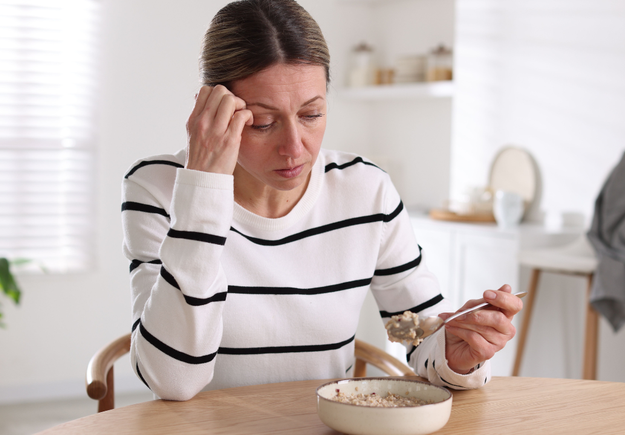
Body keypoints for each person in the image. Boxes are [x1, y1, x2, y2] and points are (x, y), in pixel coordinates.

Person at [121, 0, 522, 401]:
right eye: (263, 123)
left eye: (311, 115)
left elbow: (408, 325)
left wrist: (453, 352)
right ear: (213, 112)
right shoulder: (159, 188)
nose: (294, 148)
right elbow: (172, 380)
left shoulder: (365, 192)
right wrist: (203, 188)